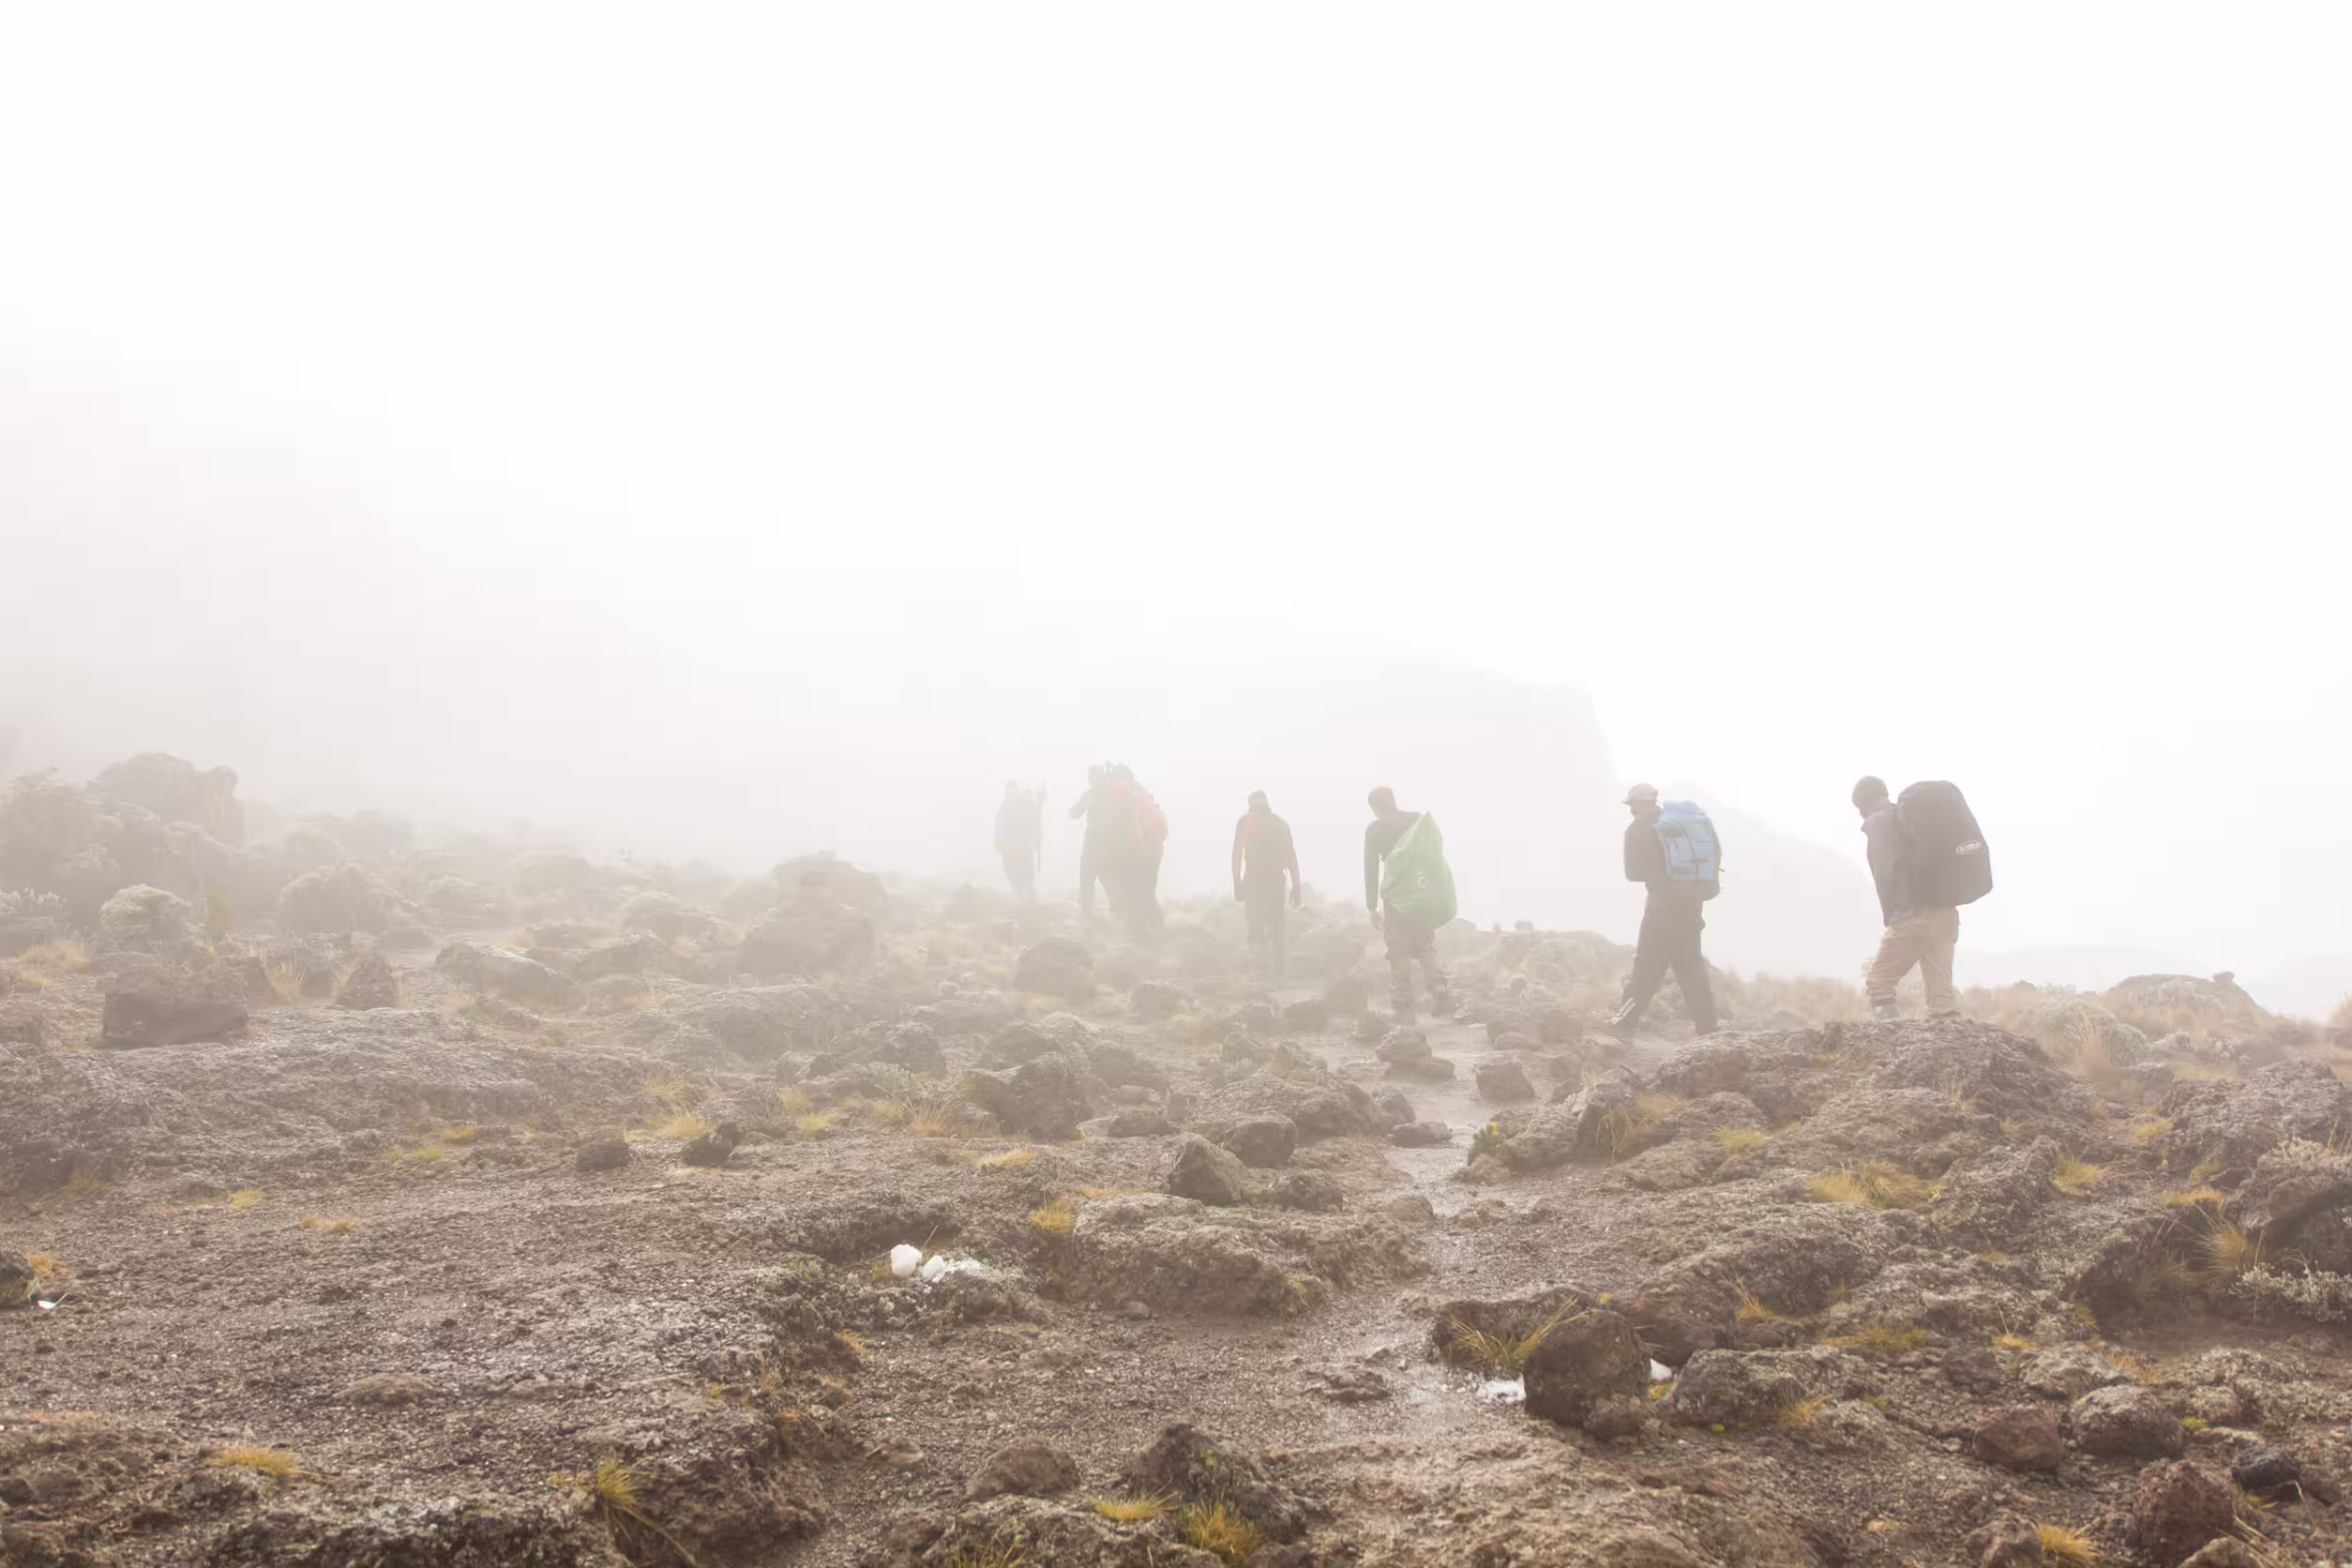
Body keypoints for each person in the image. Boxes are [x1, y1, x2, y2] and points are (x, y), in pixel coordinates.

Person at [1608, 782, 1721, 1035]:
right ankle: (1708, 1025)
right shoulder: (1679, 827)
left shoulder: (1638, 829)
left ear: (1636, 804)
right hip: (1691, 907)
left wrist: (1657, 874)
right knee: (1690, 967)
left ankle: (1625, 1021)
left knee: (1647, 967)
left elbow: (1632, 873)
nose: (1629, 811)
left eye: (1631, 805)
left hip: (1660, 909)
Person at [1855, 775, 1960, 1019]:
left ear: (1867, 800)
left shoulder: (1879, 824)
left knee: (1879, 983)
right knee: (1942, 999)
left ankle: (1889, 1042)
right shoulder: (1910, 820)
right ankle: (1952, 1053)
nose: (1859, 813)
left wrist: (1891, 916)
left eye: (1858, 806)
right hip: (1946, 916)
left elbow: (1885, 873)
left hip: (1913, 917)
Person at [1364, 786, 1450, 1020]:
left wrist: (1372, 906)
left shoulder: (1376, 828)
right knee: (1425, 946)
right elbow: (1434, 854)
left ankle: (1403, 1006)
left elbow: (1370, 867)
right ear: (1392, 800)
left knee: (1398, 949)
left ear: (1374, 807)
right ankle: (1438, 987)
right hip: (1422, 891)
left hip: (1396, 894)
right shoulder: (1417, 821)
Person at [1231, 790, 1301, 981]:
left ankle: (1260, 968)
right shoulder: (1280, 824)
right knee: (1278, 924)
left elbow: (1237, 853)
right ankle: (1279, 970)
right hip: (1277, 879)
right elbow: (1291, 856)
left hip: (1254, 878)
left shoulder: (1247, 821)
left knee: (1255, 923)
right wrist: (1297, 886)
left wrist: (1237, 883)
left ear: (1251, 804)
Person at [1068, 765, 1110, 920]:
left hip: (1093, 842)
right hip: (1113, 843)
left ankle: (1086, 915)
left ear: (1091, 778)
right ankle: (1121, 914)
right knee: (1110, 879)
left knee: (1087, 878)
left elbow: (1074, 813)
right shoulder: (1114, 794)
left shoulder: (1091, 794)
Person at [994, 781, 1043, 900]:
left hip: (1016, 843)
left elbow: (1034, 818)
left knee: (1019, 869)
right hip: (1018, 843)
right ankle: (1023, 892)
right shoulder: (1019, 802)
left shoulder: (1014, 802)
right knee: (1020, 869)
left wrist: (999, 842)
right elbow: (1035, 818)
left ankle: (1023, 892)